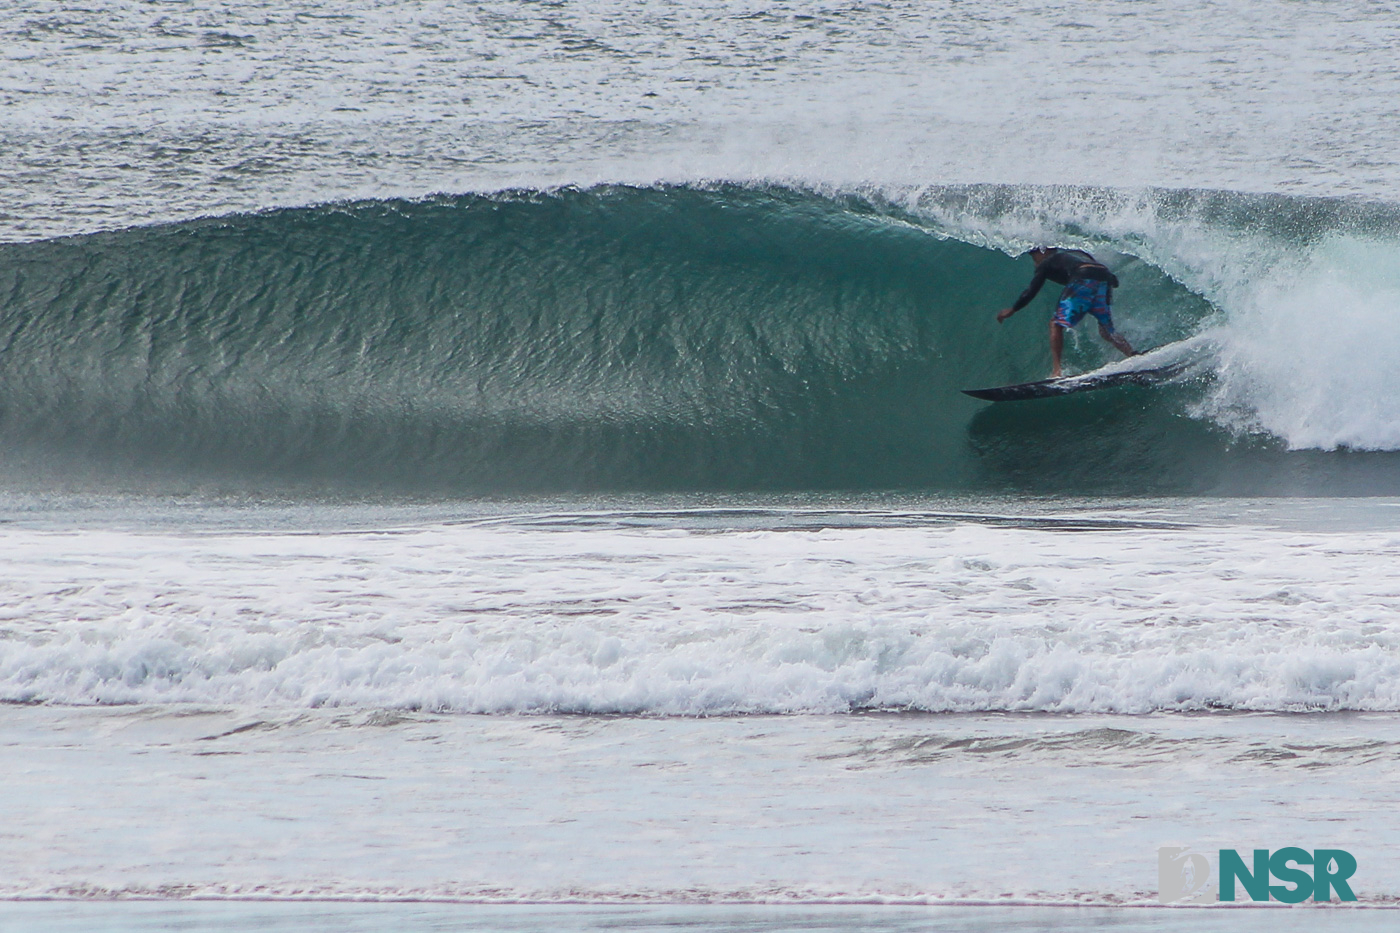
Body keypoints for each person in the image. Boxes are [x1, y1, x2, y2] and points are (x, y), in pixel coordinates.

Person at [995, 247, 1136, 378]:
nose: (1034, 262)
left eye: (1034, 256)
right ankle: (1132, 354)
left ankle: (1057, 371)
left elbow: (1031, 290)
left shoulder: (1048, 261)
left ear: (1044, 251)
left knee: (1055, 324)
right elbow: (1113, 280)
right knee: (1107, 331)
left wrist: (1013, 309)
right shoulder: (1075, 254)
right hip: (1105, 278)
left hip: (1083, 277)